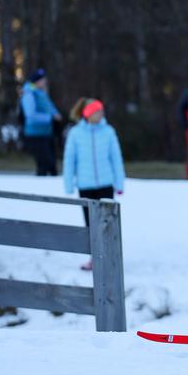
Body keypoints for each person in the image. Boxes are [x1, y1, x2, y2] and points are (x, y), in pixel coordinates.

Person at [63, 98, 126, 270]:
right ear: (88, 113)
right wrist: (68, 184)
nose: (101, 114)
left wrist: (119, 183)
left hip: (106, 185)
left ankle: (109, 258)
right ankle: (94, 258)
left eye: (102, 111)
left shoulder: (108, 132)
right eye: (97, 111)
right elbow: (69, 160)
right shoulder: (76, 133)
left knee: (108, 224)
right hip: (85, 186)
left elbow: (116, 158)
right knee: (90, 224)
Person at [19, 68, 63, 175]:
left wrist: (56, 115)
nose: (45, 81)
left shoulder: (41, 93)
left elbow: (49, 107)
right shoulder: (29, 93)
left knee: (52, 167)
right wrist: (51, 117)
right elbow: (30, 115)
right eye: (43, 79)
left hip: (46, 133)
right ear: (36, 81)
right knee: (45, 164)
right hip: (35, 134)